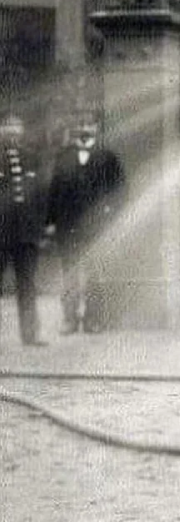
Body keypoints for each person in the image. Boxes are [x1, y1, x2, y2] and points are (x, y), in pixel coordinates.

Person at [46, 116, 126, 334]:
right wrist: (50, 222)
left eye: (88, 125)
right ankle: (70, 320)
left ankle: (93, 320)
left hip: (96, 227)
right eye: (80, 125)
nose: (84, 129)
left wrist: (111, 215)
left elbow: (120, 189)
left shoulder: (107, 156)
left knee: (94, 274)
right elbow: (54, 191)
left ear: (96, 128)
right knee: (69, 274)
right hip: (67, 226)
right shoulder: (64, 156)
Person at [0, 110, 48, 346]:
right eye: (7, 125)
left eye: (16, 125)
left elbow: (40, 196)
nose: (12, 130)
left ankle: (30, 335)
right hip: (1, 232)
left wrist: (41, 227)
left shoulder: (31, 157)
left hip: (26, 233)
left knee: (27, 284)